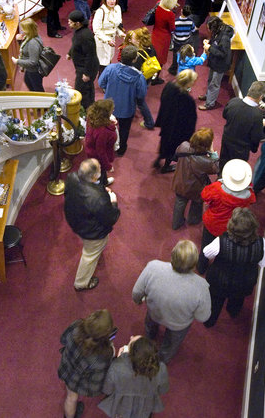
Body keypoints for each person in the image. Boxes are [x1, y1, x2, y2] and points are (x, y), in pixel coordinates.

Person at [132, 240, 211, 363]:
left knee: (149, 327)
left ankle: (148, 339)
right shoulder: (202, 286)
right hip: (179, 324)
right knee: (171, 344)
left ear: (172, 255)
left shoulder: (154, 266)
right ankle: (163, 359)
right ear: (194, 263)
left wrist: (138, 301)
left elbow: (136, 293)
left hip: (154, 313)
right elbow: (203, 317)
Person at [202, 208, 265, 327]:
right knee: (237, 299)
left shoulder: (221, 241)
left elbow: (206, 253)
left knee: (215, 303)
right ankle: (233, 311)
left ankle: (210, 322)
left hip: (220, 281)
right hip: (244, 282)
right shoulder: (261, 243)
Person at [64, 159, 121, 290]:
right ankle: (81, 283)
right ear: (95, 176)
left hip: (76, 221)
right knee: (89, 255)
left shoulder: (72, 177)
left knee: (89, 248)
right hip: (92, 232)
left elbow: (71, 194)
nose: (101, 169)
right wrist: (113, 202)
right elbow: (111, 217)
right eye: (100, 169)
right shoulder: (98, 199)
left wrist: (100, 189)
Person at [198, 159, 256, 274]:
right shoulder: (249, 194)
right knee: (224, 251)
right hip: (231, 227)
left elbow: (204, 194)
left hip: (212, 223)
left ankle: (201, 267)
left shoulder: (217, 188)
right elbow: (252, 200)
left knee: (205, 247)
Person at [58, 309, 116, 418]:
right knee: (73, 397)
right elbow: (98, 379)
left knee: (71, 398)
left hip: (68, 366)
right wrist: (112, 350)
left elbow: (63, 339)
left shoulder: (76, 326)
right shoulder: (104, 354)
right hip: (81, 380)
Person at [98, 336, 169, 418]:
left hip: (121, 405)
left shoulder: (117, 367)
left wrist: (119, 359)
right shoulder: (161, 368)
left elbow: (108, 390)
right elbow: (162, 390)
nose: (131, 337)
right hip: (145, 405)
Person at [98, 46, 148, 156]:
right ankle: (121, 148)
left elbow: (101, 83)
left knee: (107, 127)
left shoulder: (110, 68)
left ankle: (107, 145)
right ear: (134, 60)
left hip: (109, 107)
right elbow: (141, 95)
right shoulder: (139, 77)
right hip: (127, 109)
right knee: (124, 130)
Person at [171, 128, 219, 230]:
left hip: (180, 181)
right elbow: (217, 168)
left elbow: (177, 151)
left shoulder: (184, 146)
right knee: (197, 203)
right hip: (195, 188)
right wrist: (213, 153)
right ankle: (194, 219)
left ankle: (176, 223)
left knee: (180, 202)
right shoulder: (208, 162)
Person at [153, 69, 198, 173]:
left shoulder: (169, 86)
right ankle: (166, 166)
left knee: (164, 142)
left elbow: (162, 100)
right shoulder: (188, 99)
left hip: (166, 122)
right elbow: (190, 119)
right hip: (177, 129)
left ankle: (158, 159)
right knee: (173, 147)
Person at [218, 81, 265, 171]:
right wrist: (261, 125)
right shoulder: (257, 115)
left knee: (223, 165)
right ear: (261, 97)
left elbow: (225, 115)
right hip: (240, 149)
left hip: (226, 140)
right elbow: (255, 137)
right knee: (235, 171)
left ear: (249, 90)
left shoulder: (233, 101)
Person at [198, 16, 235, 110]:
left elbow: (223, 53)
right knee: (210, 80)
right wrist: (209, 42)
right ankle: (208, 95)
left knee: (214, 84)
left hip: (220, 64)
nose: (209, 30)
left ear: (214, 27)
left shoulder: (225, 38)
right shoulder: (218, 31)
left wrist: (209, 48)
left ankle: (210, 104)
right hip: (214, 61)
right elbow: (215, 42)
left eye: (210, 28)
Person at [67, 10, 101, 109]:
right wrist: (70, 53)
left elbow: (90, 56)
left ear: (77, 23)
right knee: (88, 88)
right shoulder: (79, 31)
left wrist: (87, 73)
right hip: (82, 67)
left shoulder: (85, 36)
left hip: (86, 68)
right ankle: (91, 107)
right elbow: (76, 44)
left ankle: (86, 111)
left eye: (70, 22)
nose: (68, 23)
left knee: (82, 91)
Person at [129, 28, 157, 128]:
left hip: (139, 81)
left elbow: (133, 72)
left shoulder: (138, 55)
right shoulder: (150, 47)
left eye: (132, 38)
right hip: (147, 78)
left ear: (138, 40)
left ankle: (149, 122)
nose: (130, 40)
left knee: (140, 101)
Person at [85, 99, 118, 186]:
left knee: (100, 172)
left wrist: (110, 122)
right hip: (98, 157)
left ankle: (105, 182)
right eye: (112, 110)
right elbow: (101, 152)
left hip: (91, 151)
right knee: (99, 173)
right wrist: (108, 166)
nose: (113, 110)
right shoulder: (102, 131)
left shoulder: (92, 117)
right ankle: (101, 188)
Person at [93, 0, 125, 68]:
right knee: (103, 64)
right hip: (101, 41)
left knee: (109, 62)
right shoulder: (100, 12)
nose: (112, 1)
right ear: (105, 0)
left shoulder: (117, 8)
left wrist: (121, 33)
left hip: (112, 41)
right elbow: (97, 30)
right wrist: (107, 40)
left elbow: (116, 25)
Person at [11, 18, 45, 92]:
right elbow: (26, 50)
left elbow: (33, 62)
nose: (22, 30)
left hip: (34, 71)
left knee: (38, 89)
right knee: (28, 82)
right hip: (30, 69)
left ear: (28, 30)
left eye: (23, 29)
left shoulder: (33, 43)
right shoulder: (30, 36)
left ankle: (42, 102)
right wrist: (19, 41)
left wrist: (18, 62)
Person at [151, 0, 177, 82]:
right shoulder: (170, 14)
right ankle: (155, 78)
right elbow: (172, 28)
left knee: (153, 55)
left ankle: (151, 75)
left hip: (155, 33)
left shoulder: (158, 4)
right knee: (160, 59)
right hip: (164, 38)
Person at [169, 6, 197, 75]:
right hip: (186, 41)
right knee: (184, 54)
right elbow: (193, 30)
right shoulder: (190, 22)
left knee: (175, 55)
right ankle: (184, 68)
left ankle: (173, 69)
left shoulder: (175, 22)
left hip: (177, 41)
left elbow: (172, 31)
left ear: (181, 11)